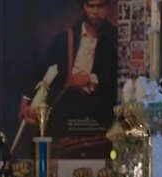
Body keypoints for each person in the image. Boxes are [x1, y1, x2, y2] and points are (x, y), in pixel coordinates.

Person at [41, 0, 118, 155]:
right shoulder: (67, 37)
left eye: (100, 6)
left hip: (99, 110)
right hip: (66, 108)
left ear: (108, 8)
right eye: (91, 6)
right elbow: (45, 72)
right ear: (84, 7)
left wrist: (91, 78)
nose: (95, 11)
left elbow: (115, 77)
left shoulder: (114, 39)